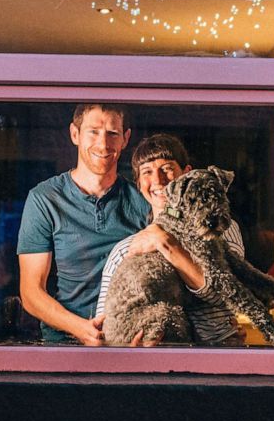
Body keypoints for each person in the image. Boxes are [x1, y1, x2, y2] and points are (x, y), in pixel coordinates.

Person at [16, 104, 150, 345]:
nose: (103, 144)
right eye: (94, 132)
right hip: (65, 342)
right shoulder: (45, 199)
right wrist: (81, 329)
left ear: (125, 139)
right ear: (75, 134)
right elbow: (31, 292)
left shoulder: (142, 199)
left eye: (112, 133)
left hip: (129, 344)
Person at [95, 133, 247, 345]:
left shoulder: (220, 229)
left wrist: (165, 243)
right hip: (150, 362)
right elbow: (105, 325)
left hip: (216, 354)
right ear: (139, 184)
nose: (158, 180)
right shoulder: (126, 250)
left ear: (187, 173)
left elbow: (228, 294)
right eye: (147, 172)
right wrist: (127, 349)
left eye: (167, 168)